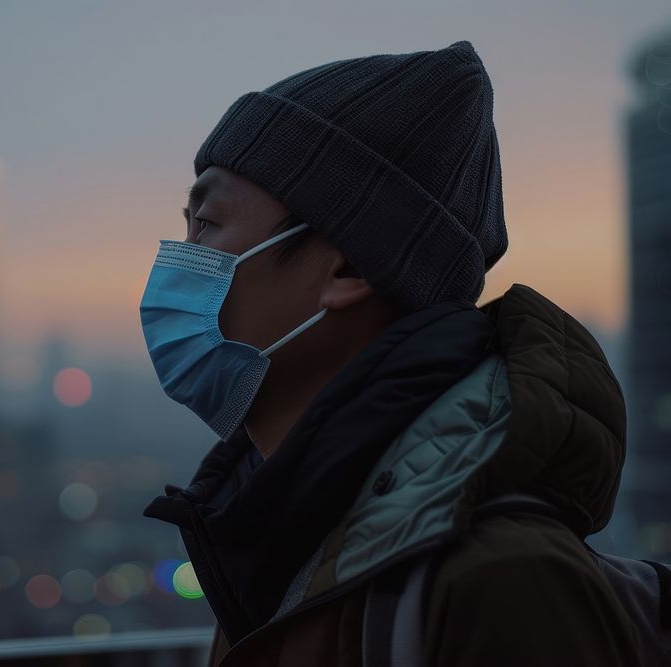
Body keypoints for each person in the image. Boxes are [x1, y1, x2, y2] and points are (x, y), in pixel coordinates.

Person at [138, 40, 643, 666]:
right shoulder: (273, 544)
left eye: (206, 225)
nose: (177, 260)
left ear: (347, 268)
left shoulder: (502, 580)